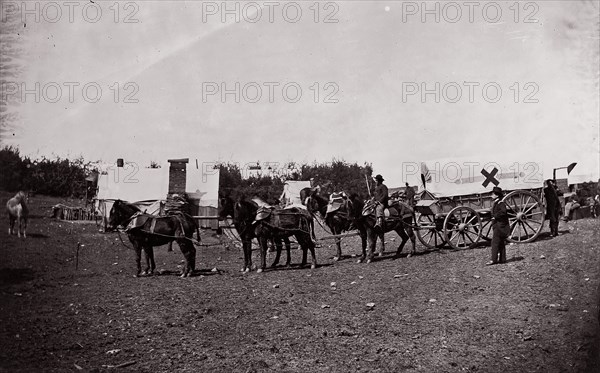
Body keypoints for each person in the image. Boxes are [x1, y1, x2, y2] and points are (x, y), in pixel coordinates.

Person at [487, 186, 509, 265]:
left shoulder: (500, 203)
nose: (491, 195)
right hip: (498, 225)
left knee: (495, 242)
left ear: (497, 195)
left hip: (500, 225)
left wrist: (495, 216)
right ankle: (502, 259)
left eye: (493, 194)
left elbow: (503, 212)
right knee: (501, 242)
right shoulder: (497, 203)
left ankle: (493, 260)